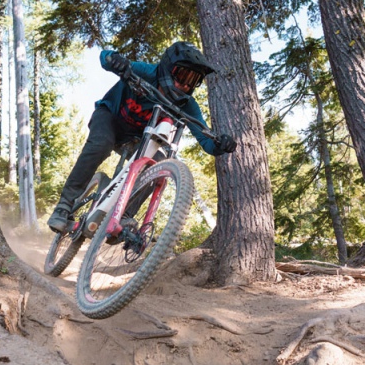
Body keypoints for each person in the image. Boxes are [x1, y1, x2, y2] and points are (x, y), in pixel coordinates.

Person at [47, 41, 236, 233]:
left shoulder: (188, 105)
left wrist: (221, 145)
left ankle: (123, 217)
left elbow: (206, 141)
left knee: (158, 167)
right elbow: (105, 58)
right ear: (168, 69)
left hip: (139, 138)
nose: (186, 85)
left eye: (193, 80)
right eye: (182, 75)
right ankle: (64, 207)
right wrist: (117, 61)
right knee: (100, 144)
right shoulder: (146, 72)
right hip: (110, 118)